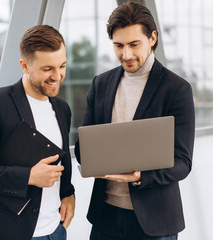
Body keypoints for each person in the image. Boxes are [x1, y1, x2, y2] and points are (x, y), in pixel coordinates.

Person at [75, 1, 195, 239]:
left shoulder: (176, 89)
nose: (126, 54)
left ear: (152, 38)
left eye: (133, 44)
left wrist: (141, 177)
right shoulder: (100, 84)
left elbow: (182, 162)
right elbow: (83, 148)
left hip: (154, 222)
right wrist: (91, 160)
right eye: (118, 45)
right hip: (105, 216)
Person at [0, 25, 75, 240]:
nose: (57, 76)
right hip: (9, 232)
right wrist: (28, 176)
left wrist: (68, 193)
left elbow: (60, 161)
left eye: (62, 66)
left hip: (55, 232)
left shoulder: (62, 109)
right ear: (24, 65)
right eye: (47, 69)